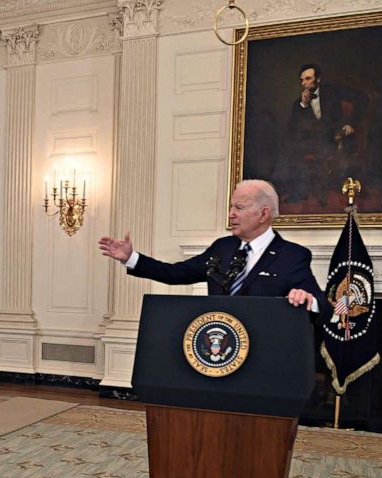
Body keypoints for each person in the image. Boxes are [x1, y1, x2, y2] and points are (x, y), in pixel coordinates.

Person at [98, 179, 325, 314]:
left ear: (263, 214)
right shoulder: (222, 248)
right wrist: (131, 258)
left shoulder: (293, 255)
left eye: (239, 207)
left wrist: (307, 299)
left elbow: (320, 303)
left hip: (265, 353)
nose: (231, 214)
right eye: (230, 207)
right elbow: (175, 273)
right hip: (219, 345)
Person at [281, 63, 365, 206]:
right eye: (302, 80)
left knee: (323, 152)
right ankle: (299, 192)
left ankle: (325, 193)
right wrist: (303, 105)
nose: (304, 83)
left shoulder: (333, 91)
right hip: (312, 142)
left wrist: (351, 123)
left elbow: (362, 98)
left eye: (308, 79)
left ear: (318, 79)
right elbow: (293, 129)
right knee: (291, 149)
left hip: (336, 138)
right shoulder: (298, 104)